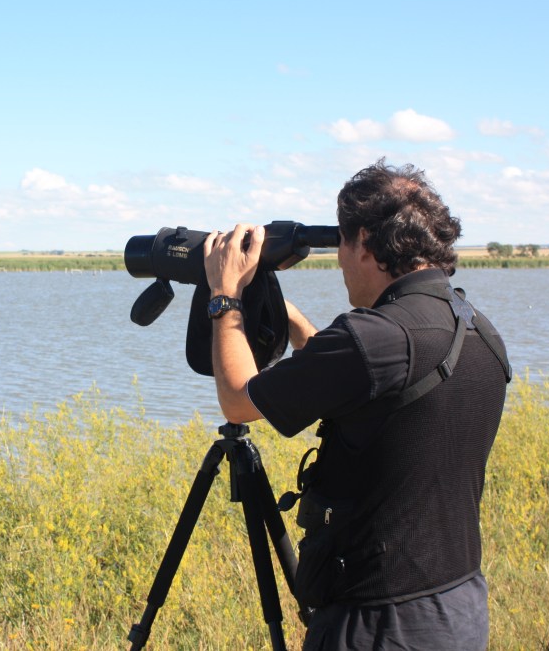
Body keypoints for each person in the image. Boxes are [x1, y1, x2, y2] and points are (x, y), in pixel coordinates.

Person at [202, 159, 511, 650]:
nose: (342, 262)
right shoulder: (476, 328)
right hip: (457, 606)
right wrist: (280, 306)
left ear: (364, 242)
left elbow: (239, 401)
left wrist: (225, 296)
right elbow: (366, 374)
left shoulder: (374, 338)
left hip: (377, 623)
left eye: (343, 245)